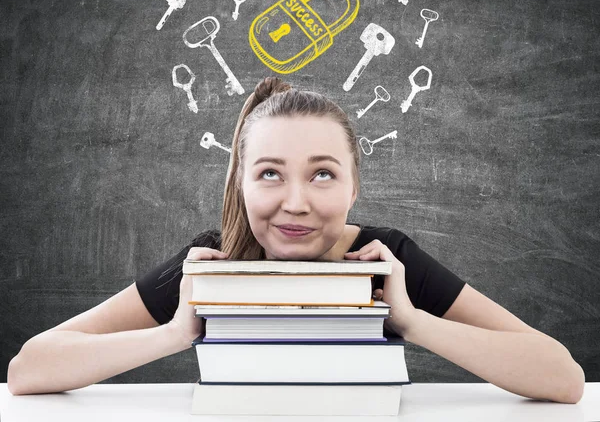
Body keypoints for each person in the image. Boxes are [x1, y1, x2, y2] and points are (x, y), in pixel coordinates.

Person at [7, 76, 585, 402]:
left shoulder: (387, 262)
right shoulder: (213, 261)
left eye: (323, 173)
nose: (296, 202)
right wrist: (177, 331)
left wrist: (409, 319)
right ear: (240, 180)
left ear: (355, 184)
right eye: (269, 173)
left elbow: (562, 377)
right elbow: (31, 368)